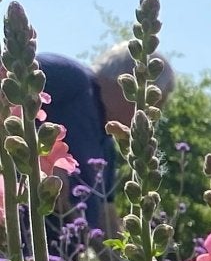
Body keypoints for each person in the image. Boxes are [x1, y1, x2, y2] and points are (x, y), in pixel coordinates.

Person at [35, 44, 175, 229]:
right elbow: (10, 88)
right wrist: (43, 160)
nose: (152, 119)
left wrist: (135, 244)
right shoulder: (71, 78)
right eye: (155, 105)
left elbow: (106, 217)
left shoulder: (107, 146)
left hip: (57, 245)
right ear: (126, 83)